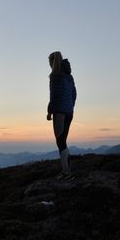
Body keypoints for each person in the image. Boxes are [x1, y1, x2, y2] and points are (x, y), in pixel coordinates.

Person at [47, 51, 77, 179]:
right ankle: (67, 170)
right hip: (69, 112)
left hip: (59, 112)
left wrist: (49, 111)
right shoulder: (69, 77)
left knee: (60, 141)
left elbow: (54, 96)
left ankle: (67, 172)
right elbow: (74, 94)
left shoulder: (55, 76)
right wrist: (70, 106)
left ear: (53, 62)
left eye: (49, 61)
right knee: (63, 140)